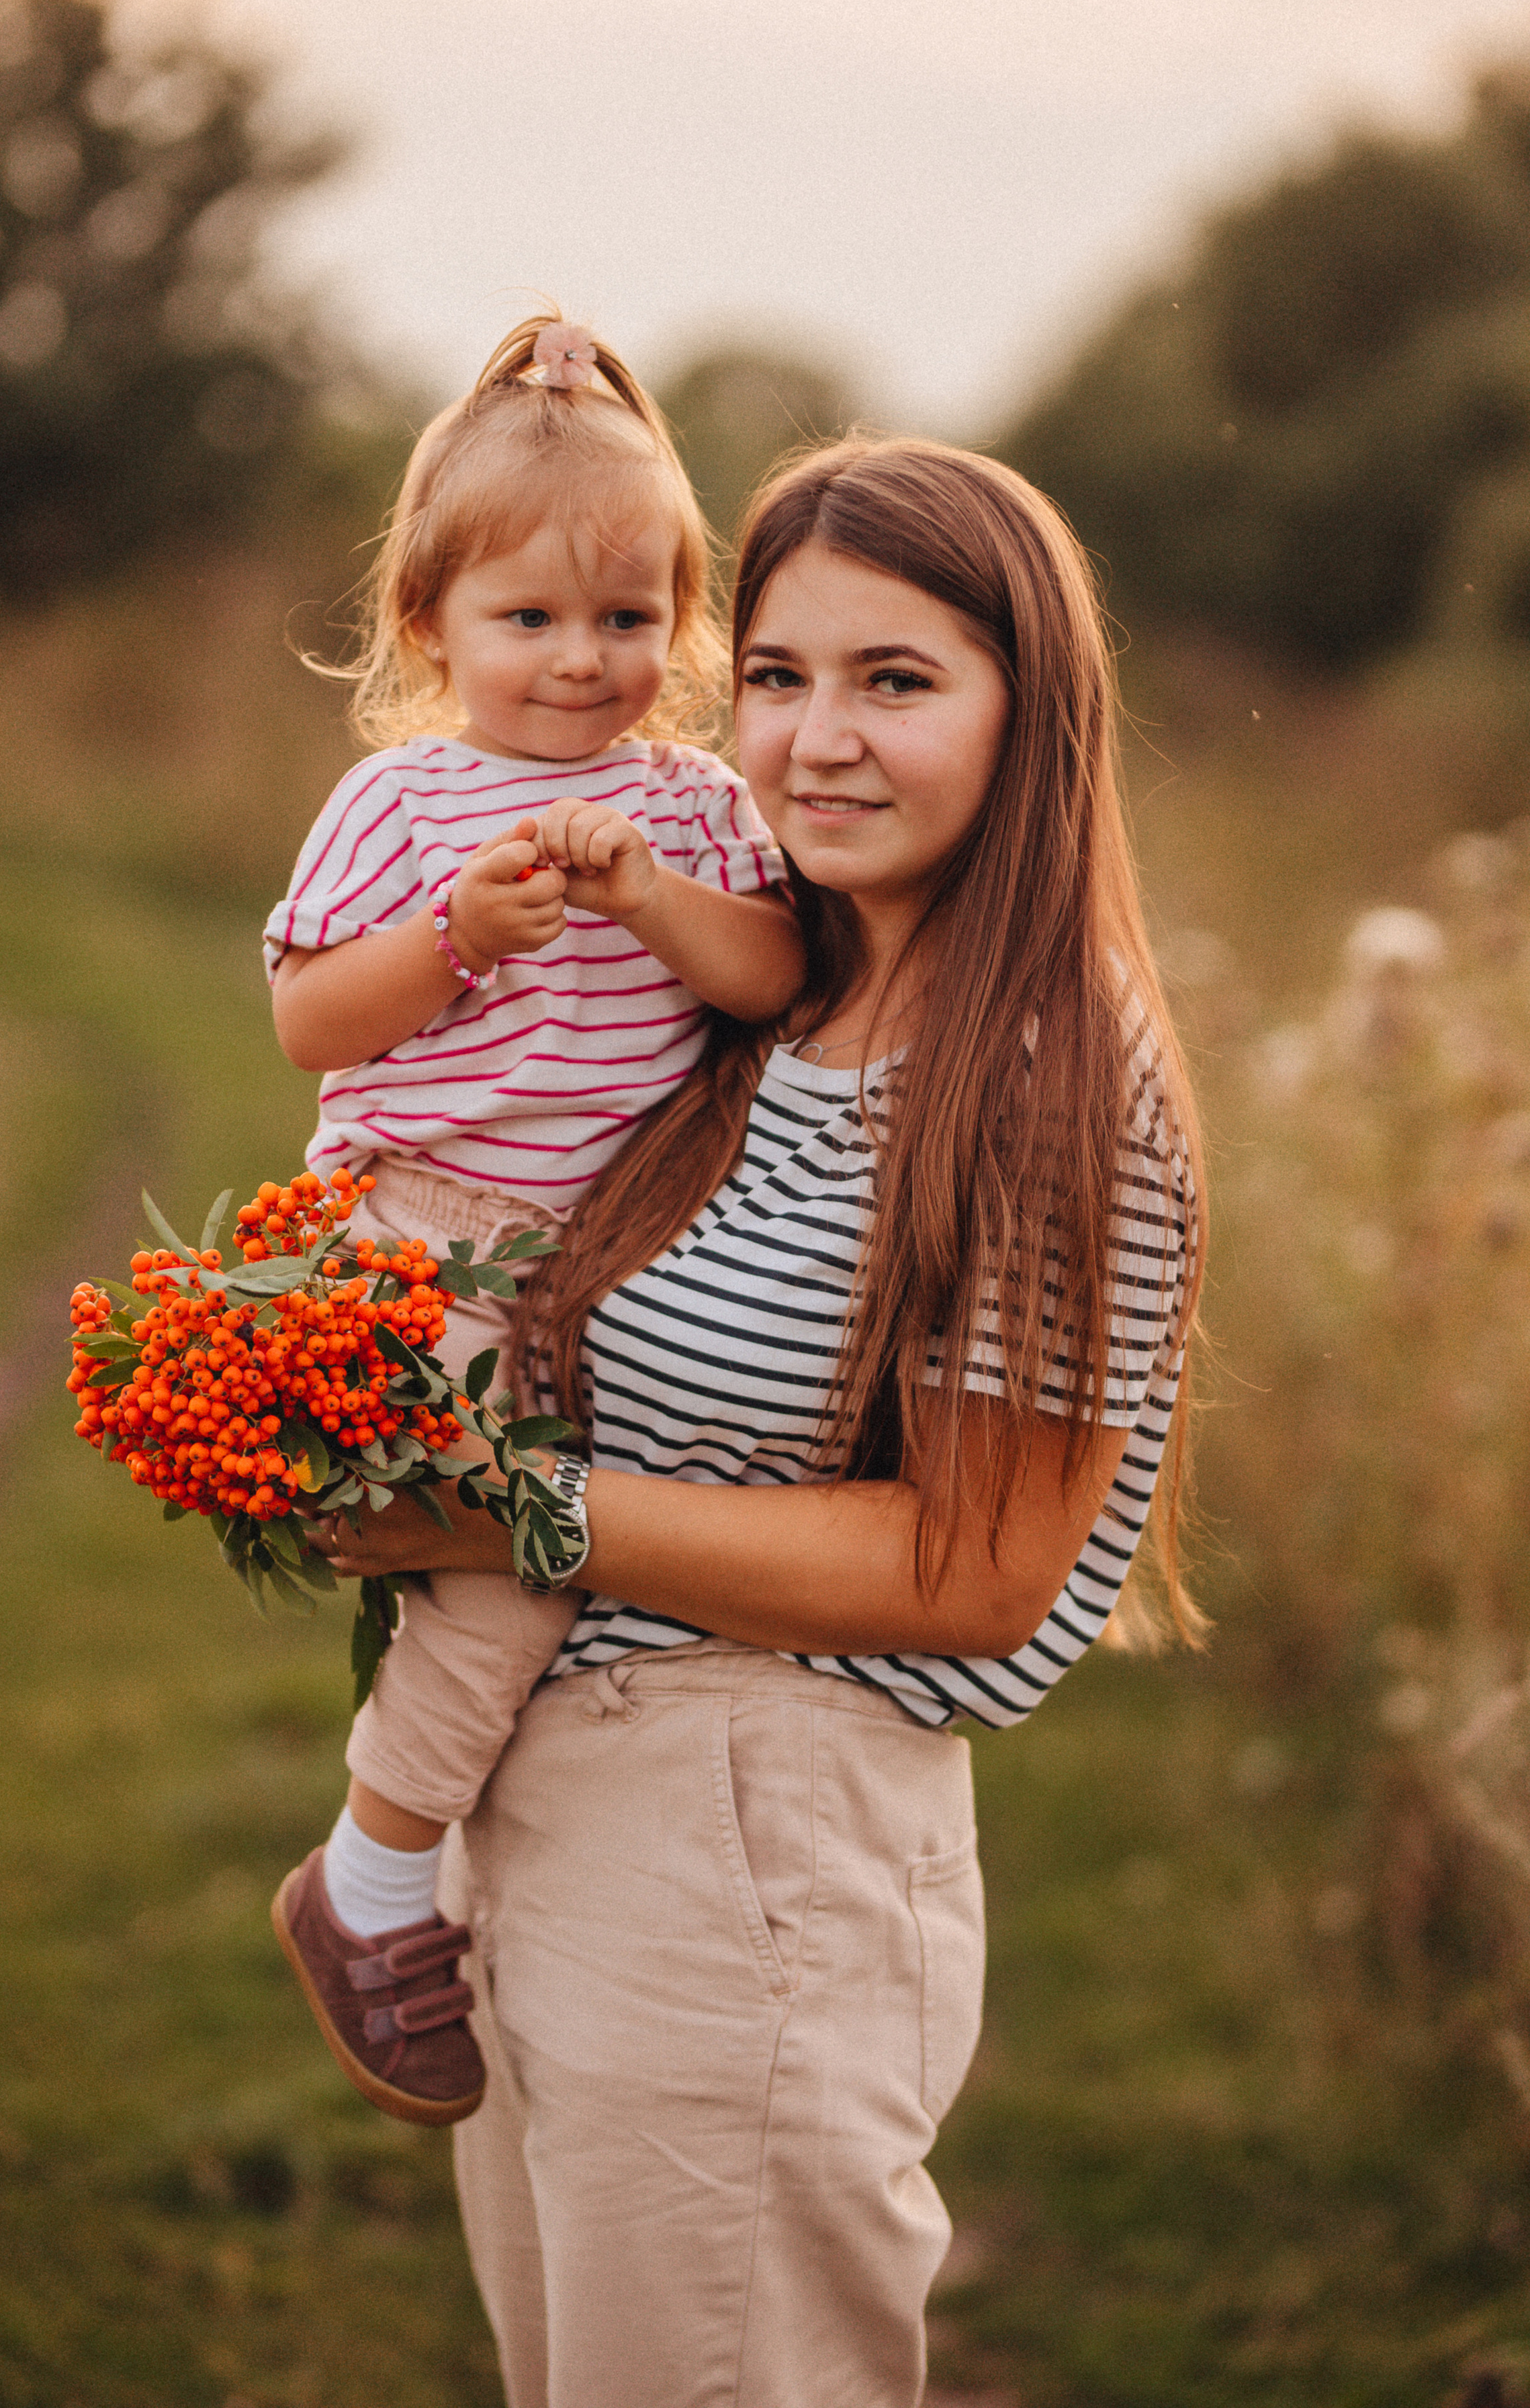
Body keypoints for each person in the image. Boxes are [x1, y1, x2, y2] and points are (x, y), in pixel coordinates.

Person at [314, 435, 1206, 2408]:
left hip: (753, 1843)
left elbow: (975, 1569)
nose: (815, 739)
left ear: (1030, 715)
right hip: (546, 1822)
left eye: (899, 681)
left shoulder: (1050, 1073)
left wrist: (511, 1521)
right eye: (781, 676)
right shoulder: (770, 995)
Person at [263, 314, 805, 2127]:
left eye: (630, 621)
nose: (584, 665)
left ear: (683, 625)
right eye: (531, 621)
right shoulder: (403, 798)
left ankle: (489, 1862)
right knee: (515, 1560)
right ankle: (370, 1878)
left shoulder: (695, 806)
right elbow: (308, 1022)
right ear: (432, 624)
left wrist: (647, 890)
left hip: (607, 1254)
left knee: (590, 1552)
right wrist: (453, 946)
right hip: (425, 1232)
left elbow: (768, 978)